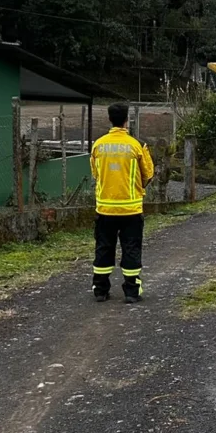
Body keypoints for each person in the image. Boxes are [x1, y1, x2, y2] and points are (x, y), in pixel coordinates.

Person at [90, 103, 154, 303]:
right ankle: (131, 291)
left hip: (105, 209)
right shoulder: (137, 145)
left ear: (110, 119)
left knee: (103, 247)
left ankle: (100, 290)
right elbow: (149, 174)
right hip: (131, 210)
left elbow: (96, 174)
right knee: (132, 248)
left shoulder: (98, 145)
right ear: (127, 120)